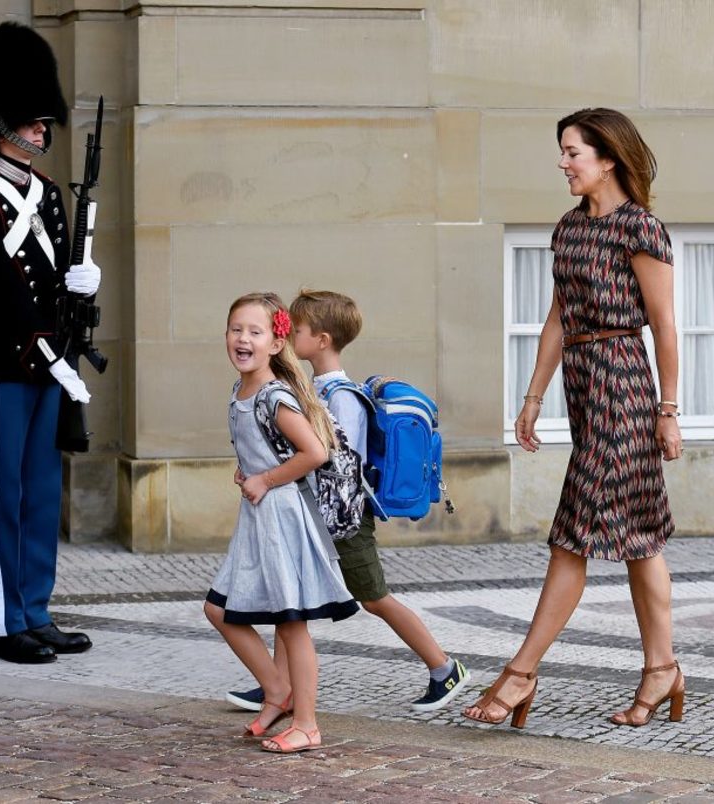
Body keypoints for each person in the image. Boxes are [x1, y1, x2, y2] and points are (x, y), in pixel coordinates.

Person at [463, 108, 684, 729]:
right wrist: (532, 396)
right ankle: (662, 668)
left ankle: (520, 673)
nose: (562, 163)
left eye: (572, 152)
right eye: (562, 152)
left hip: (624, 383)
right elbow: (558, 318)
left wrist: (668, 410)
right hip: (582, 387)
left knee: (571, 532)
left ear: (607, 158)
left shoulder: (640, 229)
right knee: (639, 532)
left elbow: (664, 325)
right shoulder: (567, 228)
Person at [225, 290, 471, 716]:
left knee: (375, 598)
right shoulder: (309, 387)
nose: (288, 334)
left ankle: (444, 667)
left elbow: (341, 467)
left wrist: (284, 484)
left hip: (343, 519)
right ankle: (278, 688)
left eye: (295, 330)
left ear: (320, 340)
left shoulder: (341, 396)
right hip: (316, 514)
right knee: (293, 603)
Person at [0, 23, 101, 664]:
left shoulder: (53, 196)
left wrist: (86, 288)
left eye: (43, 123)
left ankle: (35, 609)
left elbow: (59, 282)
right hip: (7, 362)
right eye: (31, 123)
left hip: (50, 363)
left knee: (39, 490)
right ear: (0, 123)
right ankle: (2, 622)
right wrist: (44, 349)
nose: (41, 132)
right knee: (1, 493)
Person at [205, 292, 359, 754]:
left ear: (276, 342)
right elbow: (264, 449)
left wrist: (266, 478)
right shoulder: (240, 389)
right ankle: (277, 692)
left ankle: (307, 723)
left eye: (255, 332)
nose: (243, 339)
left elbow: (315, 453)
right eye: (236, 329)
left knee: (292, 625)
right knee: (218, 609)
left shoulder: (274, 396)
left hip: (282, 518)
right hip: (256, 519)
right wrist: (248, 470)